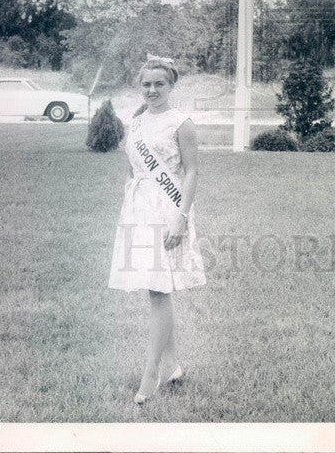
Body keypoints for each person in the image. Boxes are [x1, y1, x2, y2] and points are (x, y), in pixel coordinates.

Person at [108, 55, 206, 405]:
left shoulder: (181, 122)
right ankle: (173, 364)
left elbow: (192, 172)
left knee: (159, 290)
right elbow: (131, 169)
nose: (152, 90)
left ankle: (151, 370)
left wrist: (181, 216)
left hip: (169, 210)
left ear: (171, 85)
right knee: (154, 289)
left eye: (159, 84)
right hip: (139, 210)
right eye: (146, 84)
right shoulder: (135, 123)